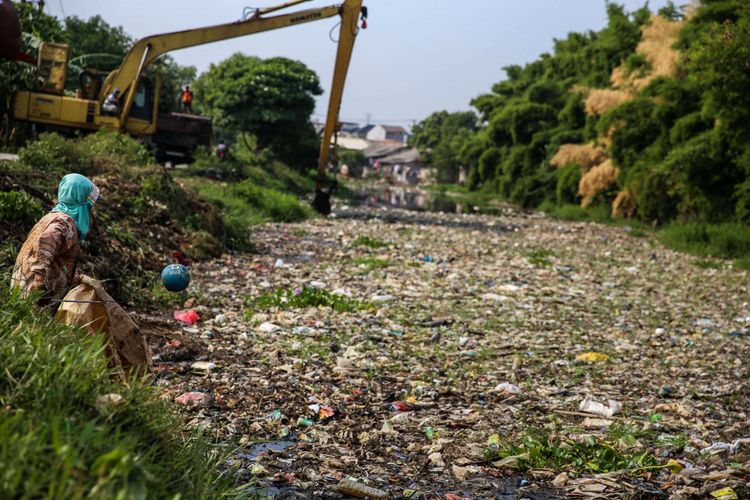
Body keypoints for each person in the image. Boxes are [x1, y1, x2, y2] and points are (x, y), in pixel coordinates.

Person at [11, 173, 100, 309]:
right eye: (88, 205)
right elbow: (44, 247)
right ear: (80, 201)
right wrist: (39, 284)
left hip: (26, 293)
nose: (90, 210)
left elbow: (57, 258)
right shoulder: (63, 224)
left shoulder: (53, 216)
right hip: (34, 298)